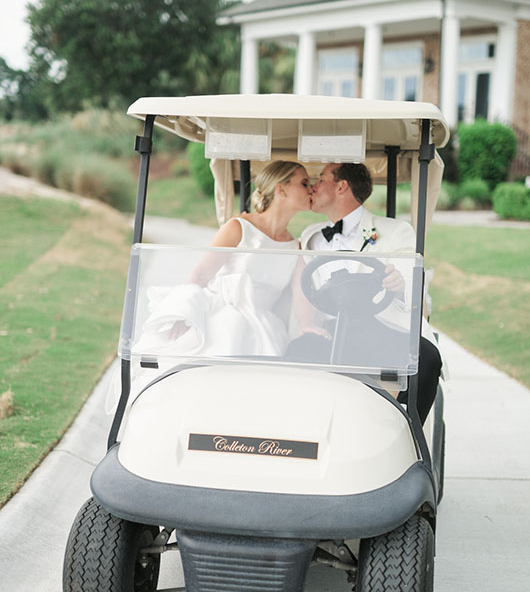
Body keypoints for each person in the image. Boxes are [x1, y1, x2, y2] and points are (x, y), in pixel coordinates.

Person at [298, 162, 442, 425]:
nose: (314, 186)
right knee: (295, 351)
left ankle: (409, 436)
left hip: (382, 328)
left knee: (427, 358)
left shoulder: (395, 231)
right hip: (332, 329)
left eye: (321, 179)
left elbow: (408, 281)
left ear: (341, 186)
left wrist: (397, 284)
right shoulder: (311, 237)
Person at [137, 161, 311, 360]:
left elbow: (301, 295)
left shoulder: (294, 247)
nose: (311, 189)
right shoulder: (238, 227)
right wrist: (184, 312)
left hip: (262, 328)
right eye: (304, 183)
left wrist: (307, 325)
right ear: (281, 190)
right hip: (222, 316)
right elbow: (201, 273)